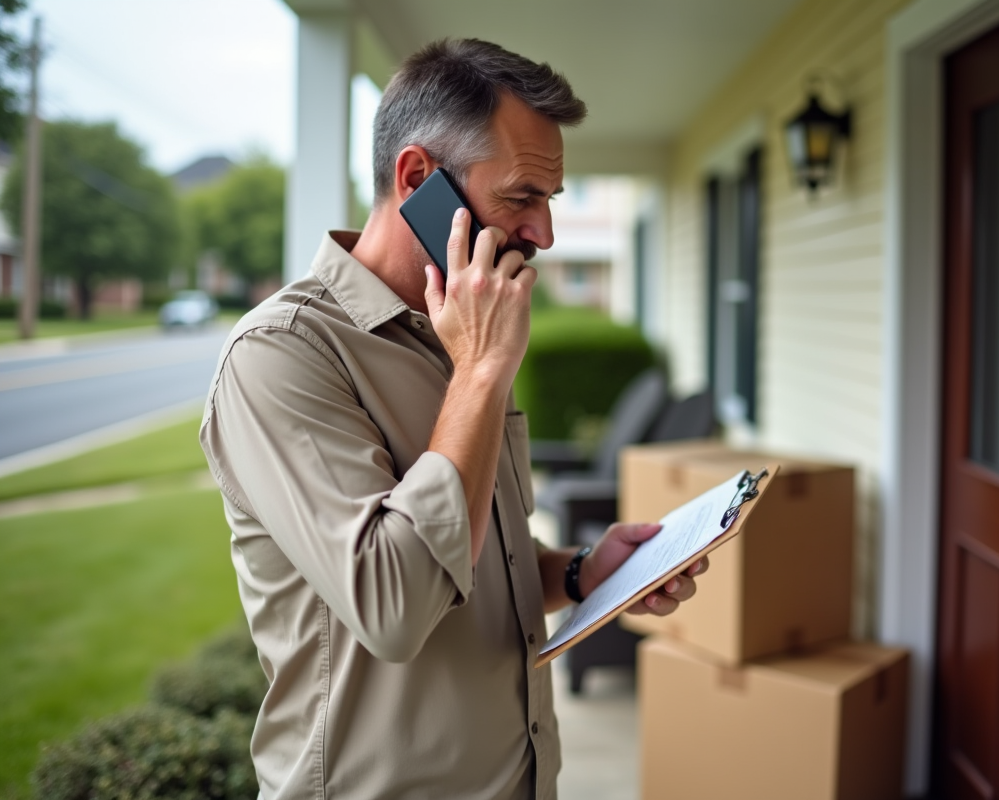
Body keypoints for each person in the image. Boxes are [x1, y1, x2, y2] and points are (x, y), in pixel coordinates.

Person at [200, 38, 707, 800]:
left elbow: (476, 560)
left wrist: (580, 572)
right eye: (521, 196)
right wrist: (479, 374)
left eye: (549, 201)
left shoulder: (459, 326)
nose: (544, 233)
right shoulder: (280, 357)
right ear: (417, 180)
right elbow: (395, 605)